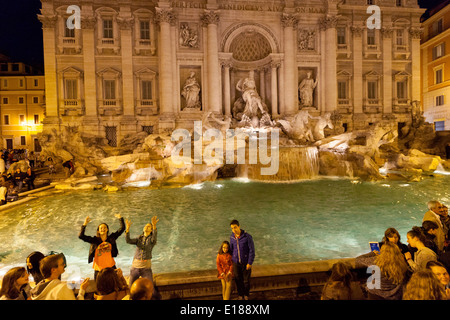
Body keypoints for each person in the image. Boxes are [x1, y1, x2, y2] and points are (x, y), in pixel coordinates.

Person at [78, 213, 125, 280]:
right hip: (98, 269)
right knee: (99, 287)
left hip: (111, 267)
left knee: (114, 285)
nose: (103, 229)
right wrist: (84, 224)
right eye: (101, 228)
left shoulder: (112, 238)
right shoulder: (95, 240)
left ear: (107, 229)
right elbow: (81, 236)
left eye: (105, 227)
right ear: (98, 231)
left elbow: (122, 229)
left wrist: (120, 218)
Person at [125, 216, 158, 288]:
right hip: (135, 267)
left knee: (150, 287)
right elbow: (128, 241)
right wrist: (127, 229)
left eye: (149, 226)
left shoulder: (152, 240)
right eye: (145, 226)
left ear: (151, 230)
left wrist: (154, 226)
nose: (146, 227)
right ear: (143, 229)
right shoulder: (138, 238)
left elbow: (154, 238)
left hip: (146, 268)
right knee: (131, 287)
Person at [229, 219, 255, 300]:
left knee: (246, 281)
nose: (234, 230)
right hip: (236, 263)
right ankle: (240, 295)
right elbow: (231, 249)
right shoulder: (232, 237)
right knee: (238, 280)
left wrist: (249, 262)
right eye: (232, 228)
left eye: (235, 227)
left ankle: (246, 295)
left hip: (245, 263)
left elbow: (252, 250)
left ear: (239, 226)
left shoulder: (247, 237)